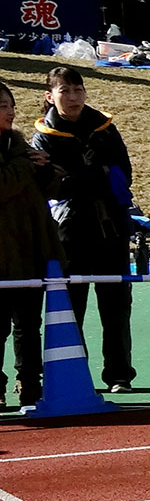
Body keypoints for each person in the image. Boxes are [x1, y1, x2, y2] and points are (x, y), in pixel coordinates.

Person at [32, 66, 138, 394]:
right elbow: (51, 186)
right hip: (68, 232)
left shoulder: (105, 128)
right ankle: (74, 377)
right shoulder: (43, 136)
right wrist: (97, 173)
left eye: (78, 90)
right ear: (50, 96)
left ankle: (120, 375)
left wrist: (77, 176)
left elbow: (124, 177)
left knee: (116, 306)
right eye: (65, 91)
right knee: (70, 308)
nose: (74, 97)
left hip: (111, 229)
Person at [1, 80, 61, 410]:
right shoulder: (16, 155)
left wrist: (45, 169)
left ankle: (30, 383)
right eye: (2, 106)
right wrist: (24, 164)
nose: (10, 112)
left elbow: (44, 192)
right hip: (1, 252)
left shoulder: (18, 143)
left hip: (30, 247)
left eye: (11, 106)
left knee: (28, 325)